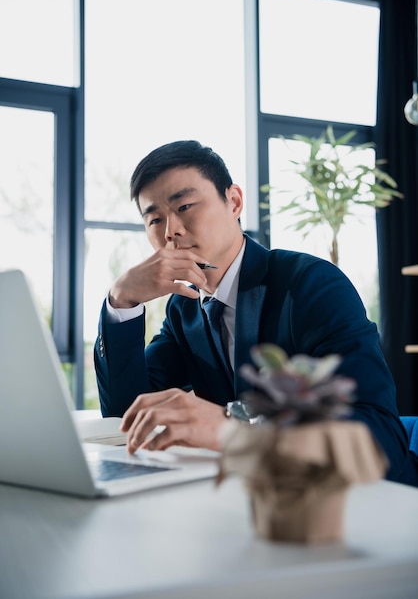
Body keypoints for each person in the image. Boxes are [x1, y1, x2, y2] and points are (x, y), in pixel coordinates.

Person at [94, 139, 418, 486]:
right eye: (154, 219)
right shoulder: (184, 308)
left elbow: (379, 439)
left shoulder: (311, 285)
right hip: (260, 503)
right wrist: (121, 300)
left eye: (185, 205)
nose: (170, 230)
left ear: (234, 201)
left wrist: (234, 429)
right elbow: (125, 415)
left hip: (374, 502)